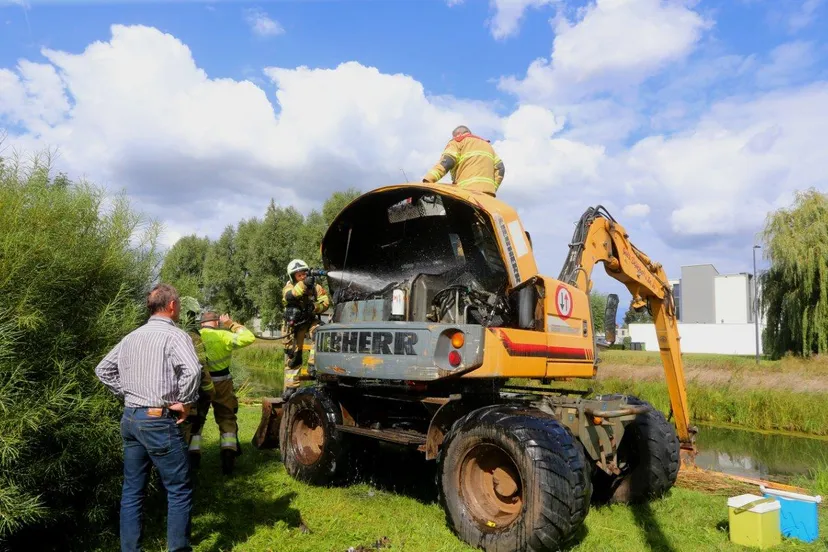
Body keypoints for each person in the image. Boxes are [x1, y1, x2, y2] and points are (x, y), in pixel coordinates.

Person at [94, 283, 201, 552]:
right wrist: (185, 403)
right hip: (157, 420)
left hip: (131, 418)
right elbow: (193, 371)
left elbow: (102, 370)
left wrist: (128, 393)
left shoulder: (131, 337)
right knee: (178, 489)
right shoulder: (175, 336)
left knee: (132, 491)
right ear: (173, 306)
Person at [194, 311, 255, 475]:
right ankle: (228, 456)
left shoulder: (195, 337)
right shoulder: (223, 335)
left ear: (201, 324)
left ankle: (193, 458)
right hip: (222, 382)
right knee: (227, 418)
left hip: (200, 383)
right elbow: (249, 337)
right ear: (216, 322)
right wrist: (231, 324)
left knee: (196, 420)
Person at [282, 259, 330, 400]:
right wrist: (304, 284)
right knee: (294, 358)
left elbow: (325, 302)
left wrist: (314, 307)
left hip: (310, 321)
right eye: (299, 275)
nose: (302, 277)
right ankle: (291, 387)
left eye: (304, 274)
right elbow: (291, 296)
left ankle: (312, 365)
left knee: (320, 332)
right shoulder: (289, 287)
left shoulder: (316, 287)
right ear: (293, 277)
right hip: (294, 325)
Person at [177, 296, 215, 470]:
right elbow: (201, 367)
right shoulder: (193, 337)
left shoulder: (169, 334)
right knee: (195, 427)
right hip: (193, 393)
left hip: (170, 394)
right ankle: (191, 462)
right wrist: (209, 391)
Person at [422, 125, 505, 196]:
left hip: (466, 192)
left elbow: (447, 162)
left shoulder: (458, 141)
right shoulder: (488, 146)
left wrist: (428, 180)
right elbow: (500, 168)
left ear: (458, 134)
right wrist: (493, 188)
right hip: (487, 195)